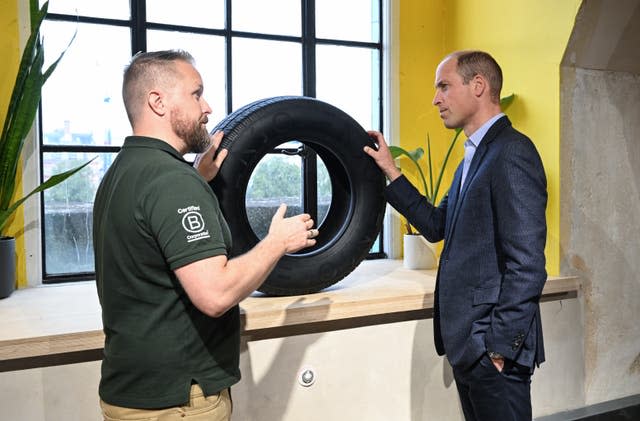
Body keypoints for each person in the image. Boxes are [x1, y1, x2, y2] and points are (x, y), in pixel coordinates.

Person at [93, 49, 319, 420]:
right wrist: (278, 242)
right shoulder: (172, 182)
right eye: (196, 94)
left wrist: (199, 178)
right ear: (158, 101)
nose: (208, 107)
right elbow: (215, 294)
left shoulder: (121, 173)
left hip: (130, 393)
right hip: (177, 403)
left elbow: (152, 234)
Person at [364, 50, 548, 420]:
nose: (436, 99)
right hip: (469, 346)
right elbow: (435, 226)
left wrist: (498, 348)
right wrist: (391, 171)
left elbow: (527, 264)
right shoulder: (472, 159)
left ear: (478, 85)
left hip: (492, 350)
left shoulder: (512, 152)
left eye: (444, 86)